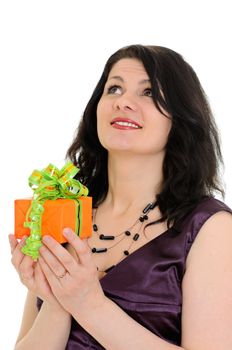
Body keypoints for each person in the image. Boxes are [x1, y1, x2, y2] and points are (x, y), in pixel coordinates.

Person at [9, 44, 232, 350]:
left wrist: (89, 305)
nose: (123, 102)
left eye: (149, 92)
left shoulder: (210, 228)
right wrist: (57, 303)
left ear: (180, 119)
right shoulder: (63, 211)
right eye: (113, 88)